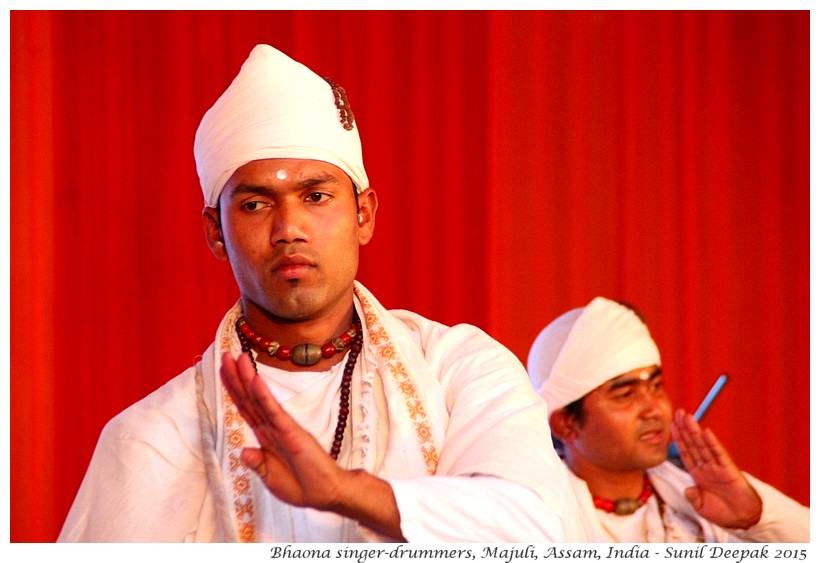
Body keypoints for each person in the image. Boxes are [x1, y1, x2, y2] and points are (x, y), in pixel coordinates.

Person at [58, 44, 588, 543]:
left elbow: (538, 525)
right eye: (255, 205)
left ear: (363, 214)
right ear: (216, 234)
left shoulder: (460, 368)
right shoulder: (151, 437)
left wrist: (345, 493)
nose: (289, 227)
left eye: (315, 196)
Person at [526, 296, 810, 542]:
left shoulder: (702, 493)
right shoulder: (531, 517)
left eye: (656, 386)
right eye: (625, 394)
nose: (655, 408)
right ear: (565, 424)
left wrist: (753, 518)